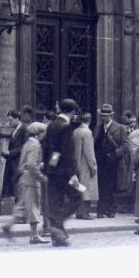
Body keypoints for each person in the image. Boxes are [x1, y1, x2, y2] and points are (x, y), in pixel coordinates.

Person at [0, 121, 50, 244]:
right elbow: (32, 164)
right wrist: (41, 176)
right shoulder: (35, 145)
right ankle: (34, 235)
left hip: (23, 177)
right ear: (38, 133)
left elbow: (27, 162)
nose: (44, 135)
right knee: (33, 206)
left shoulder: (27, 144)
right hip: (31, 179)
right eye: (43, 133)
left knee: (22, 206)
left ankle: (8, 225)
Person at [43, 98, 82, 246]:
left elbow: (49, 149)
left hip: (52, 171)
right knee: (79, 195)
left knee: (55, 203)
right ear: (71, 112)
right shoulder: (66, 127)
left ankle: (58, 238)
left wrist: (49, 167)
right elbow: (67, 152)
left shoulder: (52, 124)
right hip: (66, 173)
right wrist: (73, 174)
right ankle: (58, 222)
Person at [94, 103, 129, 218]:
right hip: (101, 162)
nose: (103, 118)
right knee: (102, 186)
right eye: (102, 116)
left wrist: (115, 154)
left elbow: (126, 146)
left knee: (112, 187)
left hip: (114, 162)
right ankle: (101, 210)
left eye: (105, 116)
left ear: (111, 116)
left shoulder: (120, 128)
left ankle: (111, 210)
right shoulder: (98, 128)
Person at [0, 107, 31, 201]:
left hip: (18, 162)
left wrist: (10, 152)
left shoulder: (24, 130)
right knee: (13, 188)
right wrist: (6, 154)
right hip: (12, 163)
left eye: (11, 120)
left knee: (19, 188)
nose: (9, 122)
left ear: (17, 118)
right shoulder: (14, 131)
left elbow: (24, 147)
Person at [73, 112, 98, 219]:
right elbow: (89, 152)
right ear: (90, 120)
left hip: (76, 163)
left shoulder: (75, 131)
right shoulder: (88, 133)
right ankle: (85, 212)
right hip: (85, 165)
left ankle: (78, 211)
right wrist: (93, 167)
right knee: (86, 189)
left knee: (79, 187)